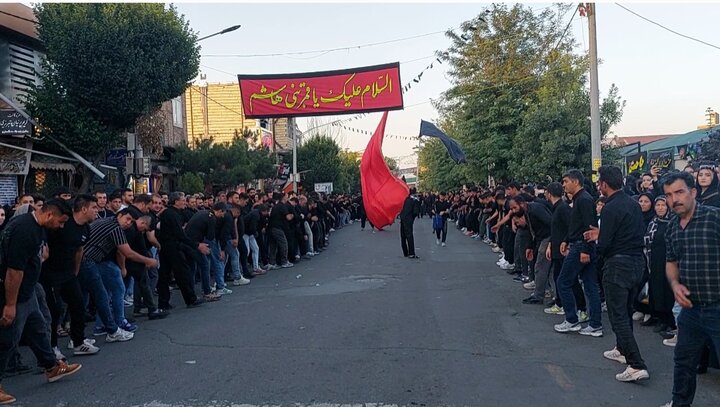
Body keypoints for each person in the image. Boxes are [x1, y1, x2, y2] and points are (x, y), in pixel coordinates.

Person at [0, 199, 83, 404]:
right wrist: (10, 304)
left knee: (38, 329)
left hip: (28, 290)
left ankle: (51, 366)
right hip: (15, 293)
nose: (61, 226)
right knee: (8, 339)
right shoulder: (25, 230)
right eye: (61, 222)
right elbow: (14, 271)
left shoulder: (37, 227)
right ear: (49, 215)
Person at [660, 171, 720, 407]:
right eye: (668, 195)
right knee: (684, 361)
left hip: (718, 306)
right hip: (691, 309)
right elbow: (671, 261)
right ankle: (679, 403)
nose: (674, 199)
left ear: (693, 192)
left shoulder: (714, 218)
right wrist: (675, 285)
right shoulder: (672, 225)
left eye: (679, 192)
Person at [585, 165, 649, 382]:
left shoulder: (610, 208)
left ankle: (636, 364)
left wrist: (597, 238)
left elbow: (605, 244)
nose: (598, 186)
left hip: (618, 266)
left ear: (604, 184)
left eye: (599, 182)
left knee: (618, 316)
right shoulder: (632, 203)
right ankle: (622, 350)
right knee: (626, 311)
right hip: (636, 263)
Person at [41, 194, 101, 358]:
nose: (97, 210)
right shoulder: (63, 224)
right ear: (84, 209)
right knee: (54, 311)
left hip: (68, 273)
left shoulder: (86, 228)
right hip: (50, 274)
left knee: (78, 305)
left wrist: (75, 270)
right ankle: (52, 347)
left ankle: (78, 342)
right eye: (94, 208)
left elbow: (79, 250)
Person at [554, 169, 602, 335]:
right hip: (577, 244)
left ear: (575, 181)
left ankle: (572, 319)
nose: (564, 185)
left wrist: (586, 249)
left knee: (563, 281)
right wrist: (566, 240)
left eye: (566, 181)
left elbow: (589, 227)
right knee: (590, 286)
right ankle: (595, 324)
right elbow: (576, 225)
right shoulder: (579, 199)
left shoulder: (584, 199)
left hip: (582, 247)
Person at [157, 193, 208, 309]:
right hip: (172, 246)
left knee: (165, 275)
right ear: (176, 202)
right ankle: (190, 299)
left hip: (167, 246)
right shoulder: (171, 214)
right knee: (182, 273)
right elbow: (180, 234)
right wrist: (196, 245)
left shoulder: (173, 213)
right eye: (183, 200)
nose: (185, 202)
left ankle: (163, 302)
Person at [399, 188, 420, 258]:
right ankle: (411, 253)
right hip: (409, 219)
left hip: (403, 218)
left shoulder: (406, 199)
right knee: (409, 236)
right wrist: (412, 218)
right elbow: (416, 212)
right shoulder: (415, 200)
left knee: (403, 236)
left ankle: (405, 252)